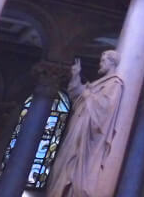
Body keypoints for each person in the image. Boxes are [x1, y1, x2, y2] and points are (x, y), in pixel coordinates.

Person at [48, 51, 125, 197]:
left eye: (103, 61)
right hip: (78, 127)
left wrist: (88, 94)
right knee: (61, 165)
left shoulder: (114, 84)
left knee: (76, 170)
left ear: (112, 63)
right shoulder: (99, 84)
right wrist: (76, 76)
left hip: (88, 133)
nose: (100, 64)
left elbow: (105, 108)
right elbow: (77, 94)